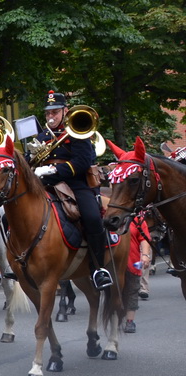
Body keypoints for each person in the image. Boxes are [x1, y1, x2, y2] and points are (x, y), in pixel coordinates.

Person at [29, 91, 112, 290]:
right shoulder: (42, 136)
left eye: (55, 112)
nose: (50, 117)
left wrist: (55, 170)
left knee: (92, 217)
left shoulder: (77, 131)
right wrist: (30, 162)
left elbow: (83, 162)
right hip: (45, 184)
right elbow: (29, 160)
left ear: (65, 111)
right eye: (48, 113)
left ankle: (98, 268)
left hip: (74, 183)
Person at [122, 216, 153, 333]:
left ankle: (130, 321)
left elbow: (144, 238)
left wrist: (145, 255)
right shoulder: (107, 216)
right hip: (112, 262)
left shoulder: (137, 219)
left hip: (133, 260)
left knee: (133, 289)